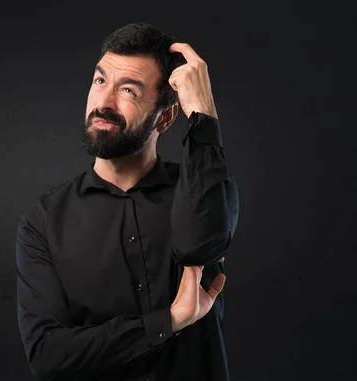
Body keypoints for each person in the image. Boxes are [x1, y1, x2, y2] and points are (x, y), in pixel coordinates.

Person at [15, 22, 240, 381]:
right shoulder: (43, 220)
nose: (104, 103)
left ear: (165, 117)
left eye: (129, 91)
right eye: (100, 81)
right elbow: (48, 355)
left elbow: (198, 247)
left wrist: (204, 113)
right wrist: (171, 320)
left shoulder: (204, 185)